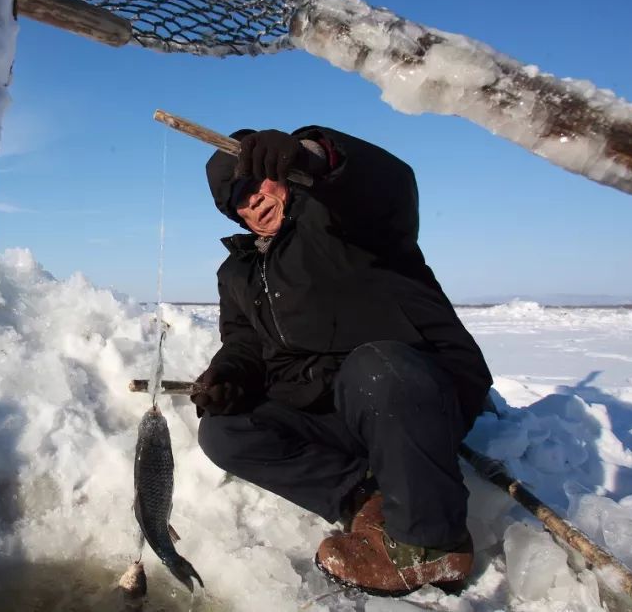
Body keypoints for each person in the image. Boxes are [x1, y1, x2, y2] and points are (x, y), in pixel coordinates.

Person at [192, 126, 492, 595]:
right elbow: (244, 342)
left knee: (375, 368)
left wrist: (318, 157)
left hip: (416, 394)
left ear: (282, 173)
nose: (252, 200)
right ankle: (363, 495)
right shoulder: (239, 272)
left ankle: (431, 544)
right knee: (222, 431)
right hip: (333, 407)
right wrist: (229, 376)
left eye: (257, 181)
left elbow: (389, 189)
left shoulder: (342, 218)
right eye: (237, 199)